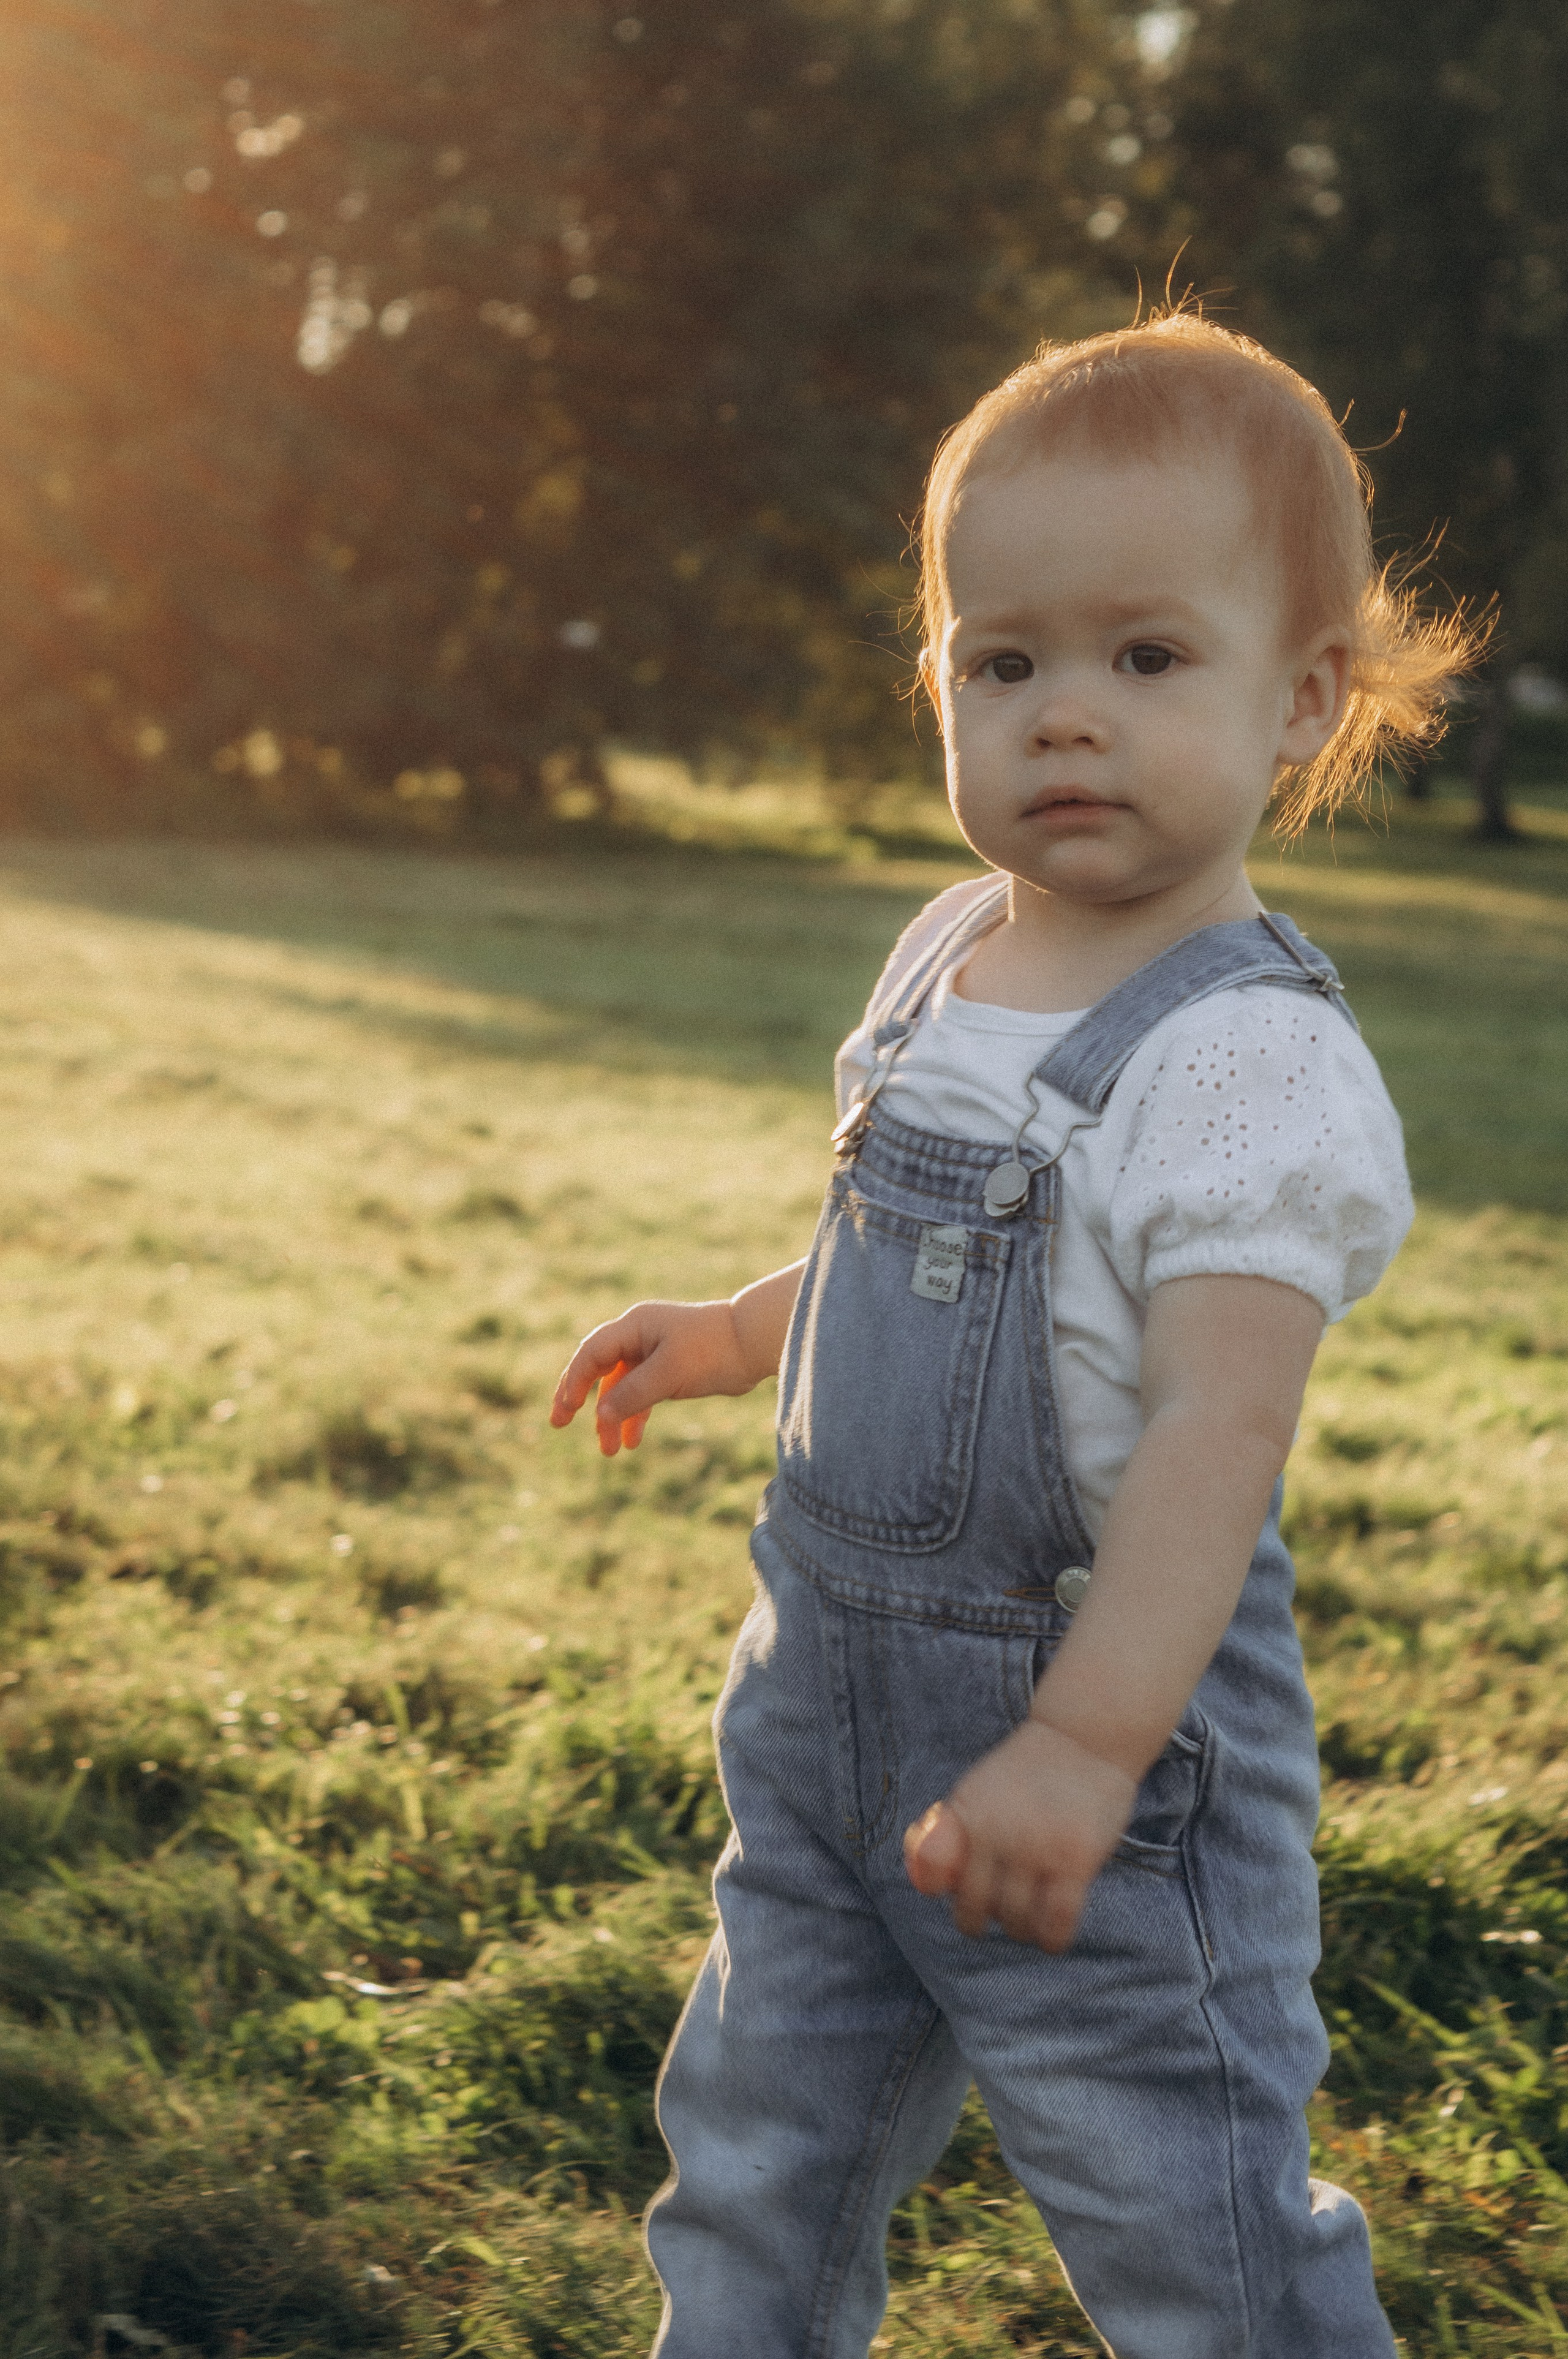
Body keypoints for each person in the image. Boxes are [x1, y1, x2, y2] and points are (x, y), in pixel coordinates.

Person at [550, 311, 1474, 2357]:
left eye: (1148, 659)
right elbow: (919, 1258)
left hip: (1103, 1775)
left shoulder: (1246, 1062)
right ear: (942, 682)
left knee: (1191, 2218)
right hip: (821, 1733)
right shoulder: (951, 950)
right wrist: (734, 1329)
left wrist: (1081, 1738)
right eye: (1007, 660)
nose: (1067, 715)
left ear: (1302, 697)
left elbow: (1212, 1437)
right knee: (758, 2156)